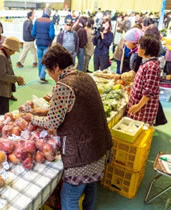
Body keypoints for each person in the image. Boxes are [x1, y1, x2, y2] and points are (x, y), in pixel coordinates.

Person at [29, 44, 112, 210]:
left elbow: (53, 123)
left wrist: (33, 118)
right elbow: (71, 108)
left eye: (49, 70)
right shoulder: (84, 76)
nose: (50, 75)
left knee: (69, 196)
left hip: (83, 155)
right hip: (100, 145)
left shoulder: (63, 86)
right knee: (90, 186)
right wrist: (44, 110)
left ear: (57, 67)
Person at [127, 35, 161, 125]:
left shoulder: (151, 66)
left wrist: (138, 106)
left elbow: (148, 91)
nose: (138, 47)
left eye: (140, 46)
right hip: (139, 105)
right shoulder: (146, 63)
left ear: (146, 49)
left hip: (143, 110)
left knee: (139, 130)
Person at [0, 37, 25, 116]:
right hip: (0, 92)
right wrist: (17, 79)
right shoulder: (0, 56)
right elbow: (2, 76)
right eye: (14, 51)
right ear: (8, 49)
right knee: (2, 116)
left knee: (4, 114)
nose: (14, 53)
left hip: (3, 91)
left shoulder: (4, 54)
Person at [31, 8, 55, 84]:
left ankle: (40, 76)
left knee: (40, 60)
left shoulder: (37, 20)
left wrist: (37, 36)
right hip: (46, 44)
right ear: (49, 14)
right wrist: (50, 40)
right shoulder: (50, 22)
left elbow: (33, 33)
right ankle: (42, 77)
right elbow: (51, 34)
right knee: (46, 61)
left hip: (38, 43)